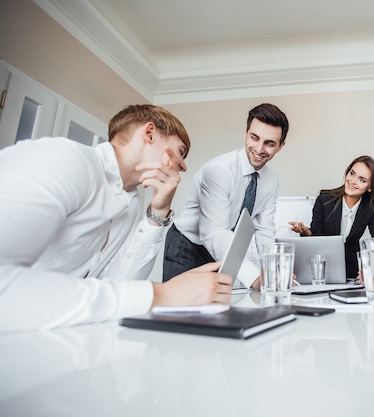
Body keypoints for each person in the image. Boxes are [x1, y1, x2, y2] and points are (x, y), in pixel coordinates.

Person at [0, 104, 233, 332]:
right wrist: (164, 294)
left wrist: (158, 214)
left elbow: (119, 286)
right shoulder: (65, 160)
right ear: (149, 133)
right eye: (180, 151)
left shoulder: (131, 203)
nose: (183, 165)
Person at [163, 103, 289, 289]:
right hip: (187, 245)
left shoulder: (271, 180)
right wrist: (254, 276)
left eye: (269, 143)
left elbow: (264, 231)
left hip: (220, 248)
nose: (259, 148)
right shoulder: (218, 171)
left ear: (280, 146)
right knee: (177, 311)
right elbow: (214, 232)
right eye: (254, 137)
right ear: (246, 133)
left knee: (214, 311)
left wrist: (273, 270)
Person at [289, 155, 374, 279]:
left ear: (370, 187)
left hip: (352, 270)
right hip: (323, 266)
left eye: (362, 180)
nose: (353, 181)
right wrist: (305, 231)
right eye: (352, 173)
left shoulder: (371, 206)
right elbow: (316, 236)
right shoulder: (325, 198)